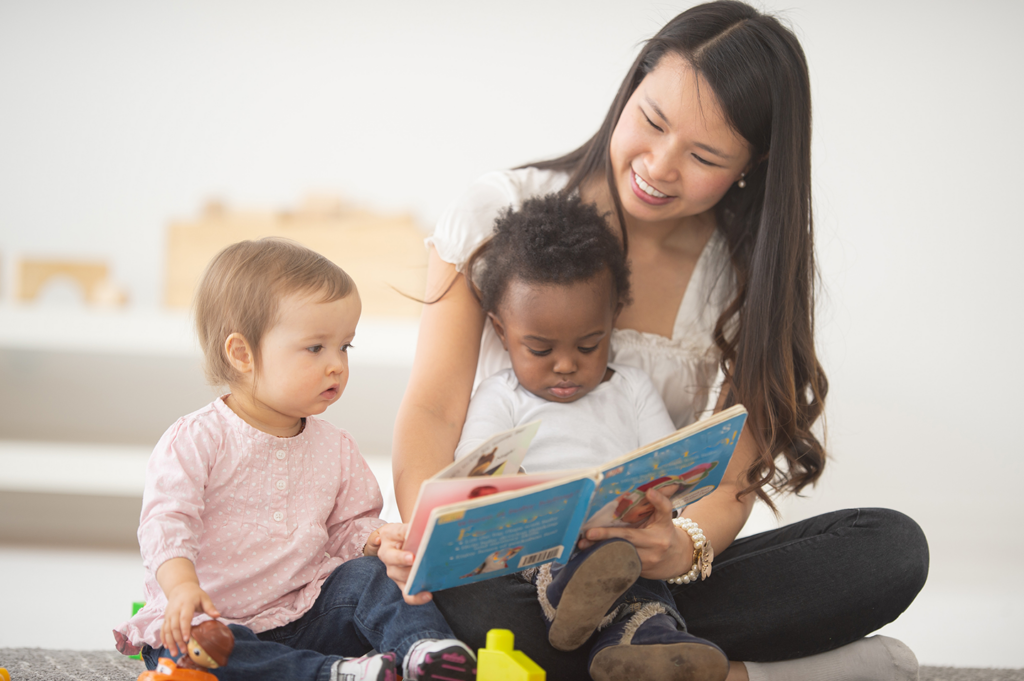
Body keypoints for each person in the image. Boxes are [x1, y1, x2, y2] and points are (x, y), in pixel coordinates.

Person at [383, 2, 929, 681]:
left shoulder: (745, 275)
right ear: (631, 87)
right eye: (651, 121)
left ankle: (635, 646)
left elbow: (732, 480)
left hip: (646, 568)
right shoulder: (499, 214)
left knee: (890, 548)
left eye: (703, 155)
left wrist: (679, 547)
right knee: (470, 596)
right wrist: (426, 535)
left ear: (750, 166)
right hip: (511, 569)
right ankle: (723, 671)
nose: (660, 166)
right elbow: (434, 407)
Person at [113, 238, 476, 681]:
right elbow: (166, 524)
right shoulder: (198, 439)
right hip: (218, 626)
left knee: (373, 575)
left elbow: (349, 528)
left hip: (307, 612)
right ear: (242, 354)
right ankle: (338, 674)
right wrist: (182, 588)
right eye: (315, 348)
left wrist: (377, 541)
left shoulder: (336, 446)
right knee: (192, 649)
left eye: (345, 347)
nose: (337, 365)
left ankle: (423, 648)